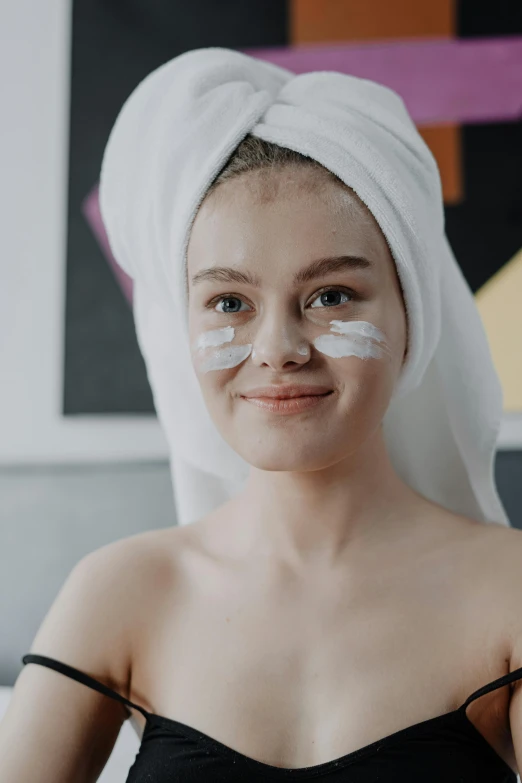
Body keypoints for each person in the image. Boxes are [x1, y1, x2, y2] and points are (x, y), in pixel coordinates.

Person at [1, 48, 521, 782]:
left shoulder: (510, 590)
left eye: (332, 295)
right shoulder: (121, 592)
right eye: (230, 303)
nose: (278, 349)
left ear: (412, 315)